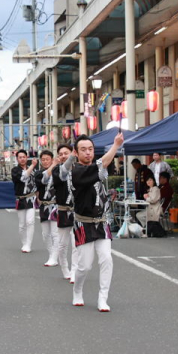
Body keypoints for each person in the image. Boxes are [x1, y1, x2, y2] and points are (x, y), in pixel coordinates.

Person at [60, 132, 124, 311]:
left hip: (102, 222)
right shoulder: (76, 171)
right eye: (83, 150)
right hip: (83, 223)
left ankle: (103, 298)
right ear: (76, 153)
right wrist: (116, 145)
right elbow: (102, 163)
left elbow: (103, 165)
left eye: (90, 149)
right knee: (84, 266)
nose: (88, 153)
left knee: (106, 259)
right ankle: (77, 290)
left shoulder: (97, 168)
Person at [44, 143, 76, 282]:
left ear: (71, 153)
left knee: (77, 245)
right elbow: (50, 179)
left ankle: (74, 272)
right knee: (63, 245)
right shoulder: (57, 170)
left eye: (66, 153)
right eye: (61, 154)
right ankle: (65, 269)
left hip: (78, 212)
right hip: (63, 211)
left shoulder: (79, 169)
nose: (63, 156)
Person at [36, 150, 61, 265]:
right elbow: (42, 181)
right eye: (43, 159)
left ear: (52, 159)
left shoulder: (58, 171)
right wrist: (54, 165)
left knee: (55, 233)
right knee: (45, 234)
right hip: (44, 206)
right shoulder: (38, 173)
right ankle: (52, 254)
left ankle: (54, 257)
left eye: (47, 159)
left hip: (55, 205)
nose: (45, 161)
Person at [11, 150, 38, 253]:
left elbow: (36, 184)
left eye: (24, 157)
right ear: (17, 159)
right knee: (22, 224)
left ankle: (29, 244)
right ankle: (24, 243)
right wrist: (32, 166)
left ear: (27, 158)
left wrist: (38, 195)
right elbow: (23, 177)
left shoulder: (34, 171)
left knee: (30, 222)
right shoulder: (15, 170)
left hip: (31, 198)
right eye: (20, 157)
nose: (22, 159)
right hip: (20, 199)